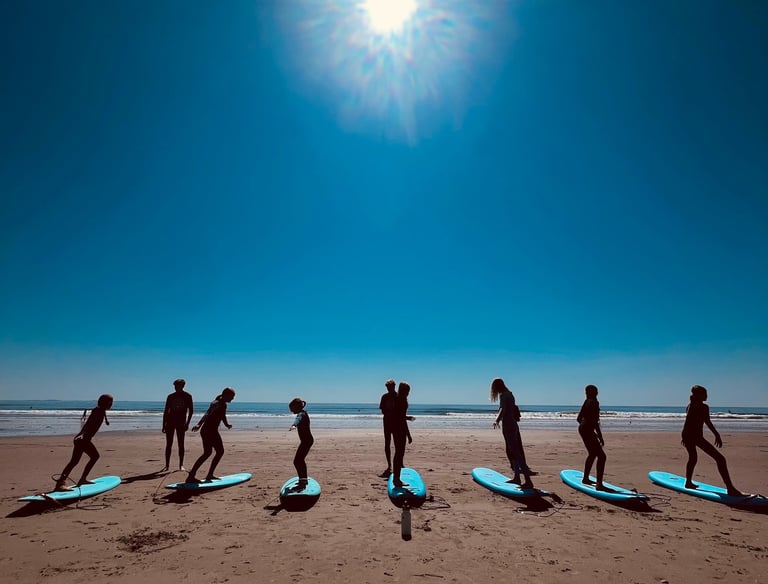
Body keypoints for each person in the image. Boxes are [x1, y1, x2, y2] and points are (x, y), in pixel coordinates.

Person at [681, 385, 742, 496]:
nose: (707, 396)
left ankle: (688, 482)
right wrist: (716, 435)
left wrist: (684, 436)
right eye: (705, 394)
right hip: (694, 437)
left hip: (688, 435)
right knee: (720, 459)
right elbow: (707, 422)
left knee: (693, 458)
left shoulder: (690, 405)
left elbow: (689, 422)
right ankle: (730, 488)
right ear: (699, 395)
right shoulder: (702, 407)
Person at [54, 394, 113, 491]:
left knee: (74, 461)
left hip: (82, 439)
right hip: (83, 439)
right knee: (94, 457)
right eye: (110, 402)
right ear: (105, 403)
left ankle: (70, 481)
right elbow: (89, 424)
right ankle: (72, 481)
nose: (111, 405)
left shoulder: (100, 411)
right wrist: (83, 433)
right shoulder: (98, 412)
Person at [490, 377, 534, 489]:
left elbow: (502, 409)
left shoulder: (504, 396)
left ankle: (528, 481)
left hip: (508, 426)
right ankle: (517, 477)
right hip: (513, 425)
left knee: (515, 452)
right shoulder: (510, 394)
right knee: (512, 451)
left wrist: (497, 420)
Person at [185, 387, 235, 484]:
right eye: (232, 397)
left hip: (211, 431)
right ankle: (195, 475)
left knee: (213, 452)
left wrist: (226, 424)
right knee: (213, 452)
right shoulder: (216, 403)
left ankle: (205, 475)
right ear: (226, 394)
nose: (232, 399)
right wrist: (199, 424)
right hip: (208, 431)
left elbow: (222, 415)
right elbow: (207, 413)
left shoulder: (223, 404)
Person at [577, 384, 607, 490]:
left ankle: (585, 478)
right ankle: (599, 484)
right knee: (602, 457)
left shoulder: (586, 402)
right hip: (587, 430)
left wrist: (585, 427)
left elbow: (579, 418)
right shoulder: (594, 403)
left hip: (582, 428)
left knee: (593, 453)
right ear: (596, 393)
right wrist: (599, 436)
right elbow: (595, 422)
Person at [162, 378, 194, 472]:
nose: (176, 387)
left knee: (181, 444)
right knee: (169, 444)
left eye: (178, 386)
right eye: (175, 386)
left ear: (183, 386)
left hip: (181, 422)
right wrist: (164, 424)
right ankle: (167, 465)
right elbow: (166, 410)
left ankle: (181, 464)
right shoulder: (170, 396)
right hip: (170, 422)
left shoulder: (187, 396)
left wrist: (187, 423)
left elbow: (191, 410)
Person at [288, 397, 314, 490]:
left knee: (298, 461)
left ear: (296, 407)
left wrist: (294, 425)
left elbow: (298, 419)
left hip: (307, 441)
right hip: (306, 441)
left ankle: (303, 481)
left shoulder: (301, 414)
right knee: (299, 460)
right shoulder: (303, 413)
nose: (291, 411)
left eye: (292, 409)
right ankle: (303, 480)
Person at [391, 381, 413, 488]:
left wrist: (407, 418)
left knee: (398, 453)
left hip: (395, 429)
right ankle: (396, 479)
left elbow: (399, 416)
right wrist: (408, 434)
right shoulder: (402, 401)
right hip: (400, 429)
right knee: (399, 454)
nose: (408, 393)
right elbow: (401, 419)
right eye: (408, 391)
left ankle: (396, 477)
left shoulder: (397, 400)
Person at [379, 379, 398, 477]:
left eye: (390, 387)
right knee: (387, 444)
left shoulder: (398, 396)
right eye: (387, 387)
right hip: (386, 422)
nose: (389, 389)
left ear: (394, 386)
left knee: (397, 445)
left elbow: (400, 411)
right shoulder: (384, 397)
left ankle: (397, 465)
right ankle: (389, 465)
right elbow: (383, 410)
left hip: (396, 423)